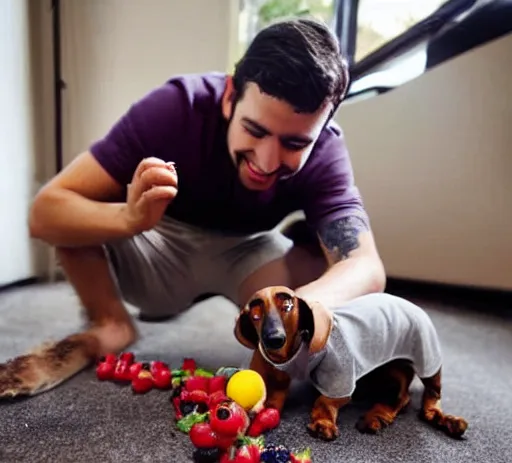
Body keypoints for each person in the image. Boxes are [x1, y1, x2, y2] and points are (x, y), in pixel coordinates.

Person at [29, 17, 386, 358]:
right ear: (230, 96)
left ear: (322, 126)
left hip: (248, 253)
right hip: (156, 246)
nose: (266, 161)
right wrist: (129, 218)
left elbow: (365, 266)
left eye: (294, 144)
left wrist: (294, 307)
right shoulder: (177, 106)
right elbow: (45, 212)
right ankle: (111, 322)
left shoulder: (327, 150)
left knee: (319, 300)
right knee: (71, 221)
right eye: (256, 131)